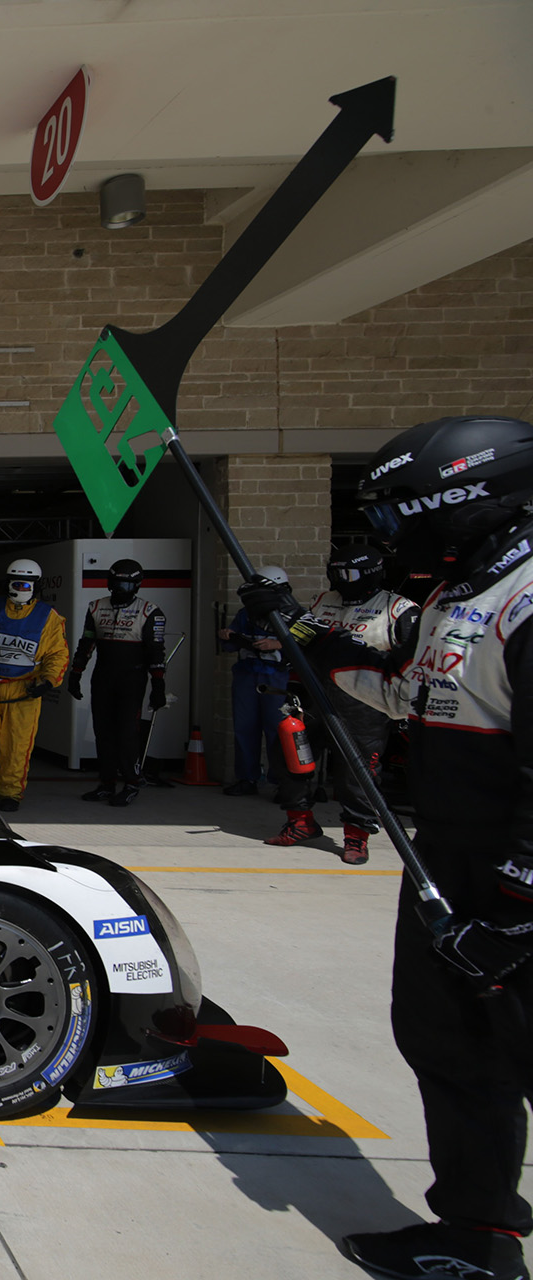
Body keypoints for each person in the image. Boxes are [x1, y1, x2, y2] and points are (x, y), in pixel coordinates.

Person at [243, 415, 533, 1280]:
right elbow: (402, 689)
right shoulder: (461, 596)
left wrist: (518, 910)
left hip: (512, 886)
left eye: (402, 516)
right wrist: (296, 630)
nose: (388, 538)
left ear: (463, 503)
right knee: (448, 1046)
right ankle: (481, 1236)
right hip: (450, 864)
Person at [264, 545, 419, 864]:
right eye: (334, 573)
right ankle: (300, 823)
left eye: (346, 574)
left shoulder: (399, 609)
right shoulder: (323, 601)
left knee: (357, 775)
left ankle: (356, 837)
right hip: (315, 696)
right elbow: (301, 642)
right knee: (288, 756)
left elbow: (412, 664)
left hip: (364, 705)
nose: (339, 581)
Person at [67, 558, 165, 806]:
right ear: (109, 583)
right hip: (103, 677)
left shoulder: (150, 612)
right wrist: (76, 674)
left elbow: (156, 652)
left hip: (132, 679)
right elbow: (86, 644)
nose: (121, 590)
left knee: (127, 733)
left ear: (137, 586)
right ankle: (106, 783)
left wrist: (158, 686)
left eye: (127, 585)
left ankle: (132, 782)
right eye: (117, 584)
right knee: (103, 733)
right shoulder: (96, 607)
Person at [0, 559, 69, 812]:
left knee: (17, 744)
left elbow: (57, 654)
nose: (21, 588)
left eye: (26, 583)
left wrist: (48, 682)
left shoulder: (49, 617)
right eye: (16, 583)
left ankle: (10, 793)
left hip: (24, 690)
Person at [219, 566, 293, 796]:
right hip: (246, 675)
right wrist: (228, 635)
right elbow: (230, 643)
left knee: (278, 729)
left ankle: (283, 783)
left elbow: (310, 641)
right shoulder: (246, 613)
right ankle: (247, 779)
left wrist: (279, 644)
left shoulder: (293, 613)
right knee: (245, 728)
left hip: (277, 677)